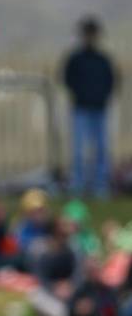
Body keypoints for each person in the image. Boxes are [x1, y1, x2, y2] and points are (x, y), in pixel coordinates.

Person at [63, 16, 117, 197]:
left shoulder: (103, 60)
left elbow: (111, 81)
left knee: (101, 148)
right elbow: (68, 79)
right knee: (78, 149)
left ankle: (100, 186)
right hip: (81, 109)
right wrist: (80, 94)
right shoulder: (76, 59)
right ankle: (78, 184)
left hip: (99, 109)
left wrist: (101, 96)